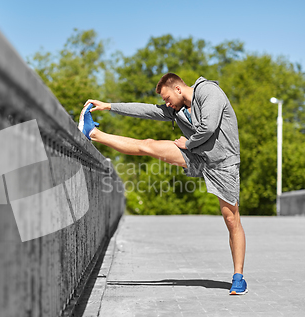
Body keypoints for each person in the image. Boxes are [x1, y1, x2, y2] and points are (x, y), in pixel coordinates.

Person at [79, 73, 248, 295]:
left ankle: (238, 277)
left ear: (178, 89)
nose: (166, 103)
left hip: (222, 164)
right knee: (148, 145)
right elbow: (146, 110)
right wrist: (109, 106)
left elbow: (208, 127)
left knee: (231, 219)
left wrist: (188, 142)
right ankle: (92, 133)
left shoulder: (209, 92)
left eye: (167, 98)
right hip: (197, 156)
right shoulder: (177, 109)